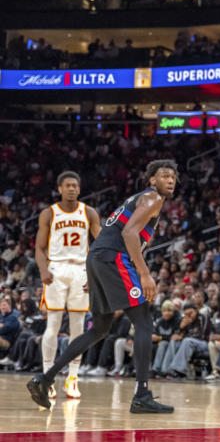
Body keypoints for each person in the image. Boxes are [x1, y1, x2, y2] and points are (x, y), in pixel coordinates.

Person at [27, 160, 178, 413]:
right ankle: (142, 394)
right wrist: (144, 274)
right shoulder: (153, 198)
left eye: (173, 177)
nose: (170, 180)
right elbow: (129, 234)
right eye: (164, 176)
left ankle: (44, 379)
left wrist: (97, 271)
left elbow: (116, 233)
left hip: (98, 258)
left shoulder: (140, 199)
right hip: (113, 258)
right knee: (143, 321)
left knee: (99, 328)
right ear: (152, 180)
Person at [34, 170, 102, 400]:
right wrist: (43, 270)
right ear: (60, 189)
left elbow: (100, 246)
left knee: (78, 327)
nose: (72, 188)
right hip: (56, 269)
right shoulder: (49, 213)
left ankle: (73, 378)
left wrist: (93, 275)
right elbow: (39, 247)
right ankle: (47, 377)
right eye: (67, 185)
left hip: (81, 269)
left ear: (79, 189)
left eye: (75, 185)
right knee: (52, 324)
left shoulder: (89, 212)